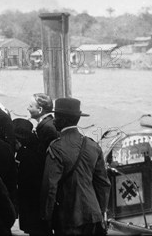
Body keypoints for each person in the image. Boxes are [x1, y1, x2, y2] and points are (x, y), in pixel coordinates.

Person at [41, 98, 110, 235]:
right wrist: (101, 212)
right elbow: (103, 184)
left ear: (64, 120)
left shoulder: (56, 147)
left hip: (69, 216)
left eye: (56, 117)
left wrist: (46, 217)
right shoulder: (92, 145)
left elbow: (50, 186)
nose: (53, 120)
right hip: (93, 215)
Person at [13, 118, 46, 236]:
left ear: (18, 141)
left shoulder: (26, 156)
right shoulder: (33, 152)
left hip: (31, 202)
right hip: (34, 201)